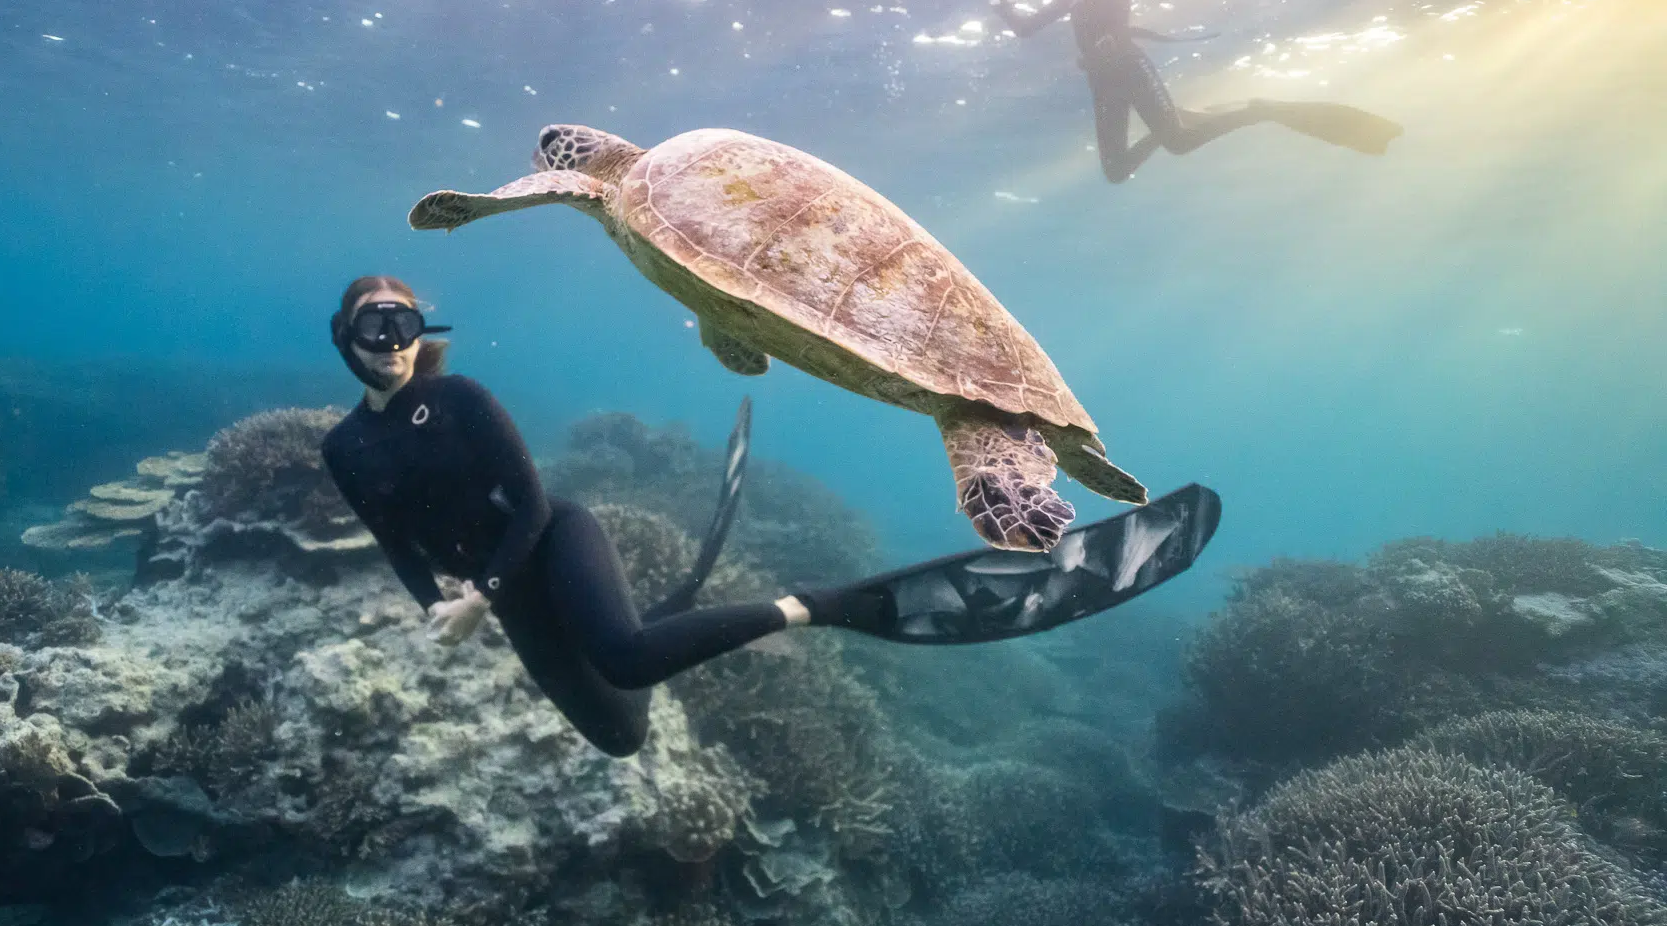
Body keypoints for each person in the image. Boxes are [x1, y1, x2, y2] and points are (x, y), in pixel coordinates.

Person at [321, 275, 1222, 757]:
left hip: (549, 542)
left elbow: (529, 504)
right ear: (345, 338)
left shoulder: (465, 396)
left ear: (421, 332)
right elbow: (392, 539)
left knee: (626, 656)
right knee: (621, 737)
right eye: (374, 326)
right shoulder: (343, 450)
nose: (393, 342)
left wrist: (478, 588)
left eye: (405, 324)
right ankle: (665, 610)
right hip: (500, 589)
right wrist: (430, 603)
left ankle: (818, 604)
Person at [991, 0, 1403, 183]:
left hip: (1130, 67)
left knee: (1181, 143)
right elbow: (1027, 29)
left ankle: (1260, 109)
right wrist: (1002, 4)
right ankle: (1168, 122)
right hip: (1103, 81)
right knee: (1116, 172)